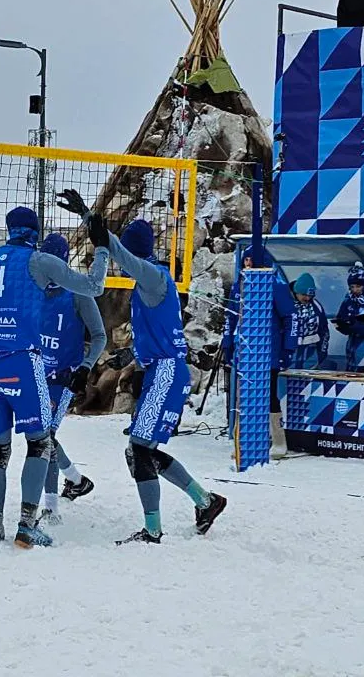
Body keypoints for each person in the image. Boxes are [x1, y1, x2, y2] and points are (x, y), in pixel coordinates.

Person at [58, 190, 227, 546]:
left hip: (166, 371)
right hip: (159, 368)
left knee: (138, 450)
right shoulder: (148, 282)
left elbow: (118, 250)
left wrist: (92, 219)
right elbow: (158, 332)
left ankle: (153, 530)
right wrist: (129, 355)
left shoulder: (152, 277)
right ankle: (205, 501)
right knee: (141, 450)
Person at [0, 204, 110, 549]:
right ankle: (27, 525)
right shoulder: (40, 261)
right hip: (22, 361)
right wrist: (102, 247)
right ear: (35, 231)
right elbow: (94, 285)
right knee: (40, 442)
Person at [37, 233, 106, 523]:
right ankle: (76, 480)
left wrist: (85, 367)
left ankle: (51, 507)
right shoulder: (33, 287)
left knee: (45, 438)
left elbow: (101, 336)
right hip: (35, 374)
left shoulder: (78, 292)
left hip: (65, 377)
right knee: (41, 438)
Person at [222, 252, 299, 453]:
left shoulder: (275, 285)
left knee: (269, 395)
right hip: (244, 352)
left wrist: (287, 348)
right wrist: (228, 344)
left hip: (267, 352)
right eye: (245, 260)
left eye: (250, 260)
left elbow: (290, 317)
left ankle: (279, 440)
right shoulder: (238, 286)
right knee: (244, 396)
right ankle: (247, 440)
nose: (246, 264)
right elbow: (230, 317)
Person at [290, 273, 330, 370]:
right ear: (296, 292)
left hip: (311, 352)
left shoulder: (316, 306)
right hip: (290, 351)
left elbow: (324, 330)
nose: (307, 298)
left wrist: (322, 353)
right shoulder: (286, 304)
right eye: (304, 295)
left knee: (309, 382)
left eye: (310, 295)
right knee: (288, 380)